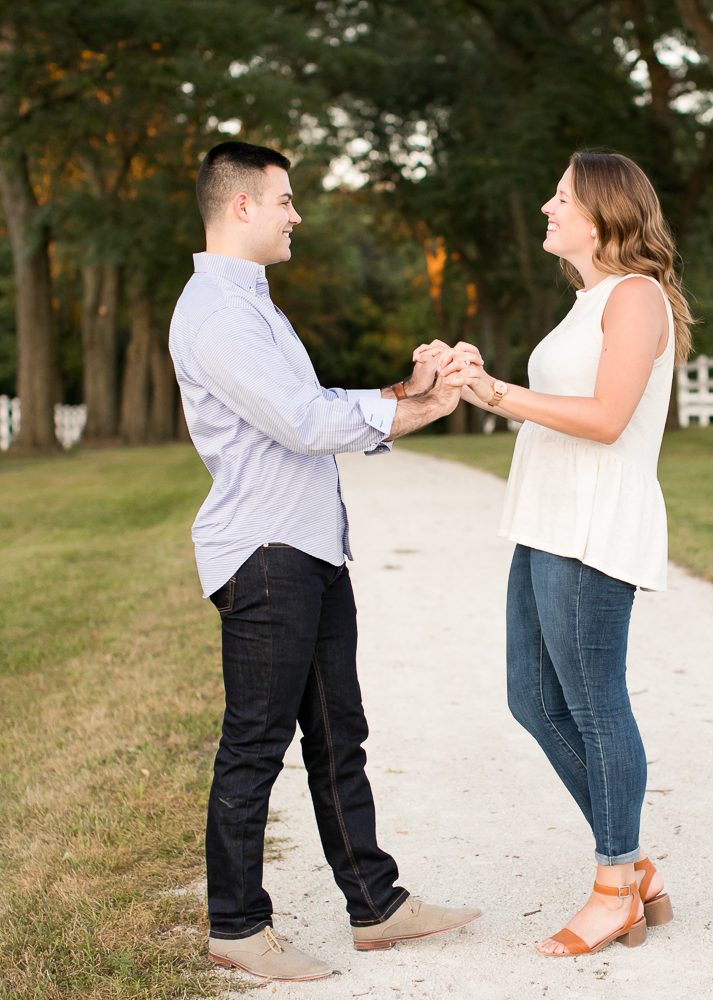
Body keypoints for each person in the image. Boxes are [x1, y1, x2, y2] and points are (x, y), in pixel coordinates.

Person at [169, 141, 483, 982]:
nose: (295, 214)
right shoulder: (217, 313)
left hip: (308, 548)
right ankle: (237, 926)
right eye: (284, 199)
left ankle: (375, 906)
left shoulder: (254, 307)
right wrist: (425, 409)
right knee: (255, 745)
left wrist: (402, 391)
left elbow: (311, 406)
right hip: (266, 555)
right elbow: (305, 426)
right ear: (241, 207)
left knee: (337, 736)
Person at [441, 151, 693, 957]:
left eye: (560, 197)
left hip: (592, 525)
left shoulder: (636, 297)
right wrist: (484, 381)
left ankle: (615, 882)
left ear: (603, 212)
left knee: (592, 702)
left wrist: (496, 395)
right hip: (545, 520)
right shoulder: (588, 302)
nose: (547, 207)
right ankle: (636, 867)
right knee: (533, 699)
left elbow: (608, 417)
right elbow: (562, 403)